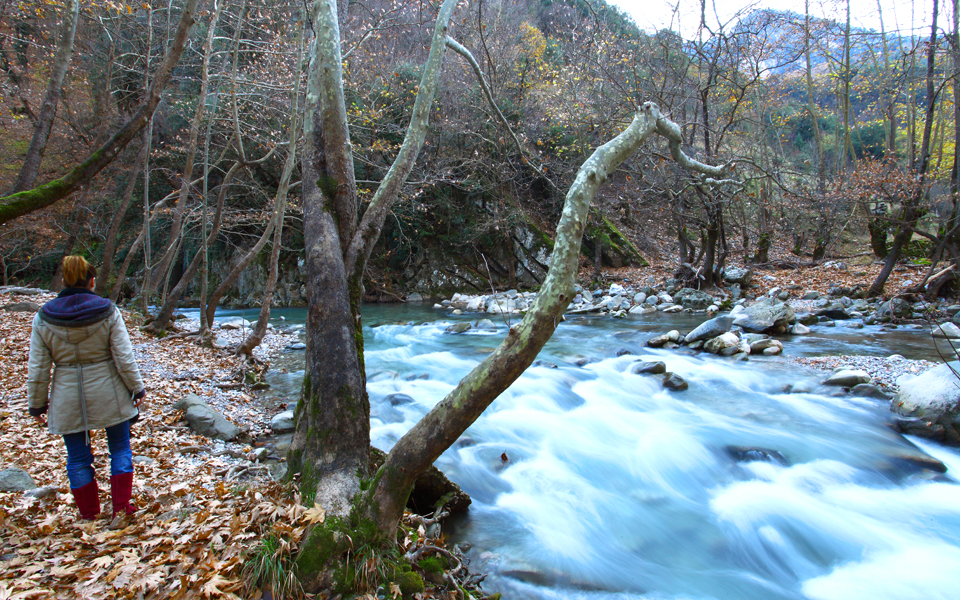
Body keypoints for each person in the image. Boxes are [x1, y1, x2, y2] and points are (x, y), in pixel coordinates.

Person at [26, 256, 147, 522]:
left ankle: (89, 514)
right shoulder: (107, 310)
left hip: (66, 393)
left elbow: (37, 367)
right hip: (109, 390)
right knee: (120, 448)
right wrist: (137, 389)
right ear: (92, 281)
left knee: (78, 458)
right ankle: (121, 508)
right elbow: (124, 358)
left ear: (64, 280)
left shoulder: (44, 317)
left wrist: (37, 403)